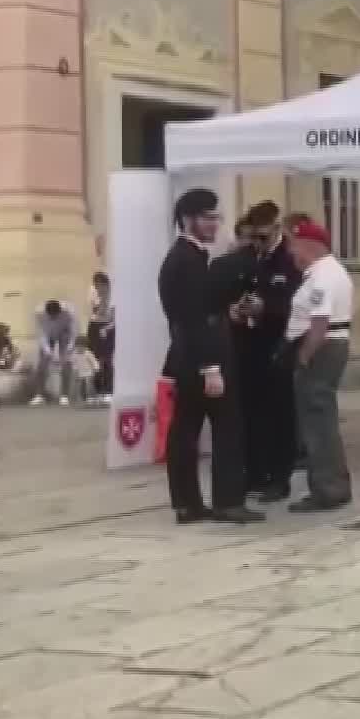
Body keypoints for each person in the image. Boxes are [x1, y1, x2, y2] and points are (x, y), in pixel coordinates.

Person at [158, 188, 262, 524]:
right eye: (208, 217)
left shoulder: (186, 257)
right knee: (227, 426)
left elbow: (200, 312)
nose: (215, 224)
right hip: (202, 358)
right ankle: (228, 501)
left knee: (186, 428)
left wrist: (226, 314)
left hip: (189, 356)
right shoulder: (187, 261)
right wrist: (211, 367)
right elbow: (193, 318)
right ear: (189, 220)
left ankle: (187, 503)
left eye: (216, 217)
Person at [220, 203, 301, 503]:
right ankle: (253, 473)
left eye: (263, 237)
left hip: (278, 345)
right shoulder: (248, 256)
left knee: (280, 414)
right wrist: (235, 309)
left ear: (277, 229)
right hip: (247, 345)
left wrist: (267, 308)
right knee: (250, 413)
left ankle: (279, 477)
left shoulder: (290, 260)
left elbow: (297, 303)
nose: (258, 244)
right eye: (254, 237)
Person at [284, 218, 354, 512]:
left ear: (307, 244)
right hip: (327, 346)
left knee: (317, 422)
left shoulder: (323, 276)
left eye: (292, 245)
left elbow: (320, 322)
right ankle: (333, 483)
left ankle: (328, 489)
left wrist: (305, 354)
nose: (290, 252)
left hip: (321, 349)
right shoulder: (324, 272)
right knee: (321, 417)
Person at [30, 299, 78, 405]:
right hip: (48, 334)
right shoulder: (39, 312)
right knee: (42, 364)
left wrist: (68, 350)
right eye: (51, 317)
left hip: (65, 332)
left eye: (55, 317)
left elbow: (74, 332)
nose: (53, 319)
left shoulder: (69, 312)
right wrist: (49, 354)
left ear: (60, 312)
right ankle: (39, 395)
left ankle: (64, 395)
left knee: (66, 363)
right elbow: (42, 335)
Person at [87, 272, 116, 402]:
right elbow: (95, 312)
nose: (98, 288)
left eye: (101, 285)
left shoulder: (114, 294)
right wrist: (100, 299)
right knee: (94, 359)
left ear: (107, 284)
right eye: (96, 285)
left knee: (107, 359)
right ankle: (97, 391)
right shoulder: (93, 291)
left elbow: (115, 317)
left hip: (109, 326)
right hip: (94, 326)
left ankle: (109, 390)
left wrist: (107, 328)